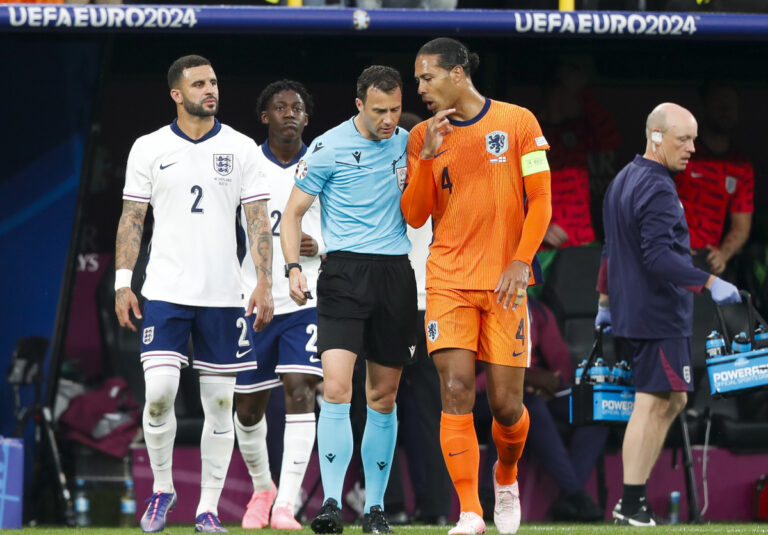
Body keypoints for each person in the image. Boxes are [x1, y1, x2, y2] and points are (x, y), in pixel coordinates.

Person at [114, 54, 273, 533]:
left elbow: (258, 220)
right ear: (176, 94)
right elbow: (132, 218)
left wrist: (264, 281)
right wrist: (124, 282)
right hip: (164, 290)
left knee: (220, 404)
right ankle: (163, 490)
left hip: (224, 296)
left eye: (215, 82)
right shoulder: (148, 147)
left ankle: (207, 507)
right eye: (199, 83)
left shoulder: (242, 148)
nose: (211, 90)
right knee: (159, 394)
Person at [402, 37, 552, 535]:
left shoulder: (517, 122)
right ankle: (470, 511)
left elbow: (542, 202)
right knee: (457, 388)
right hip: (447, 279)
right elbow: (415, 214)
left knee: (507, 406)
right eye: (418, 79)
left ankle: (504, 477)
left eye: (427, 77)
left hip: (505, 282)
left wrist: (519, 261)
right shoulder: (422, 134)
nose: (419, 88)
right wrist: (424, 156)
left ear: (458, 72)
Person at [280, 65, 417, 535]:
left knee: (383, 395)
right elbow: (292, 214)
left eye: (396, 109)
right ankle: (332, 504)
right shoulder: (327, 147)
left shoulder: (409, 141)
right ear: (358, 105)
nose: (388, 119)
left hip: (395, 274)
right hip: (343, 273)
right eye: (379, 111)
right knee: (337, 390)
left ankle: (376, 509)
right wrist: (293, 269)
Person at [596, 102, 741, 526]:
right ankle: (632, 503)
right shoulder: (658, 187)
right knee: (651, 400)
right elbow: (659, 258)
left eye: (694, 138)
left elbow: (610, 250)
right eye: (684, 139)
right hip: (657, 314)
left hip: (636, 311)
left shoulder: (623, 178)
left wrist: (604, 304)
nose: (692, 148)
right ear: (656, 137)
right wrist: (712, 284)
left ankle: (632, 501)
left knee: (674, 397)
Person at [232, 80, 324, 530]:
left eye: (298, 107)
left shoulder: (323, 162)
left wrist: (319, 246)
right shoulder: (246, 165)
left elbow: (350, 226)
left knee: (301, 389)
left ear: (307, 118)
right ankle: (262, 489)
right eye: (280, 107)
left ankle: (286, 504)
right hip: (251, 299)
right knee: (247, 409)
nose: (290, 113)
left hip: (306, 297)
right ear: (264, 116)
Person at [674, 84, 754, 276]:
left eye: (730, 106)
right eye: (719, 104)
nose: (725, 111)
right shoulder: (680, 153)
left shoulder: (741, 166)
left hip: (706, 261)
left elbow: (741, 228)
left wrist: (722, 255)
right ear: (704, 107)